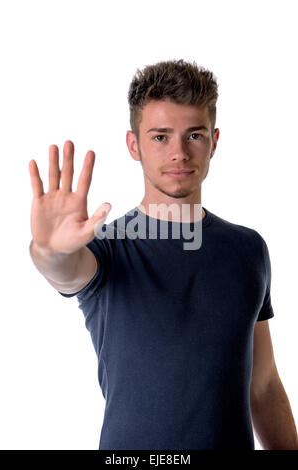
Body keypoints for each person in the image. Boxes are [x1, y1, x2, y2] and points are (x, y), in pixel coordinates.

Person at [28, 59, 298, 450]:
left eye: (194, 135)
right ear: (133, 144)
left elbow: (263, 382)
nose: (179, 153)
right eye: (160, 137)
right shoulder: (108, 249)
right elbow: (65, 270)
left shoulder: (248, 249)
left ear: (214, 141)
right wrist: (47, 249)